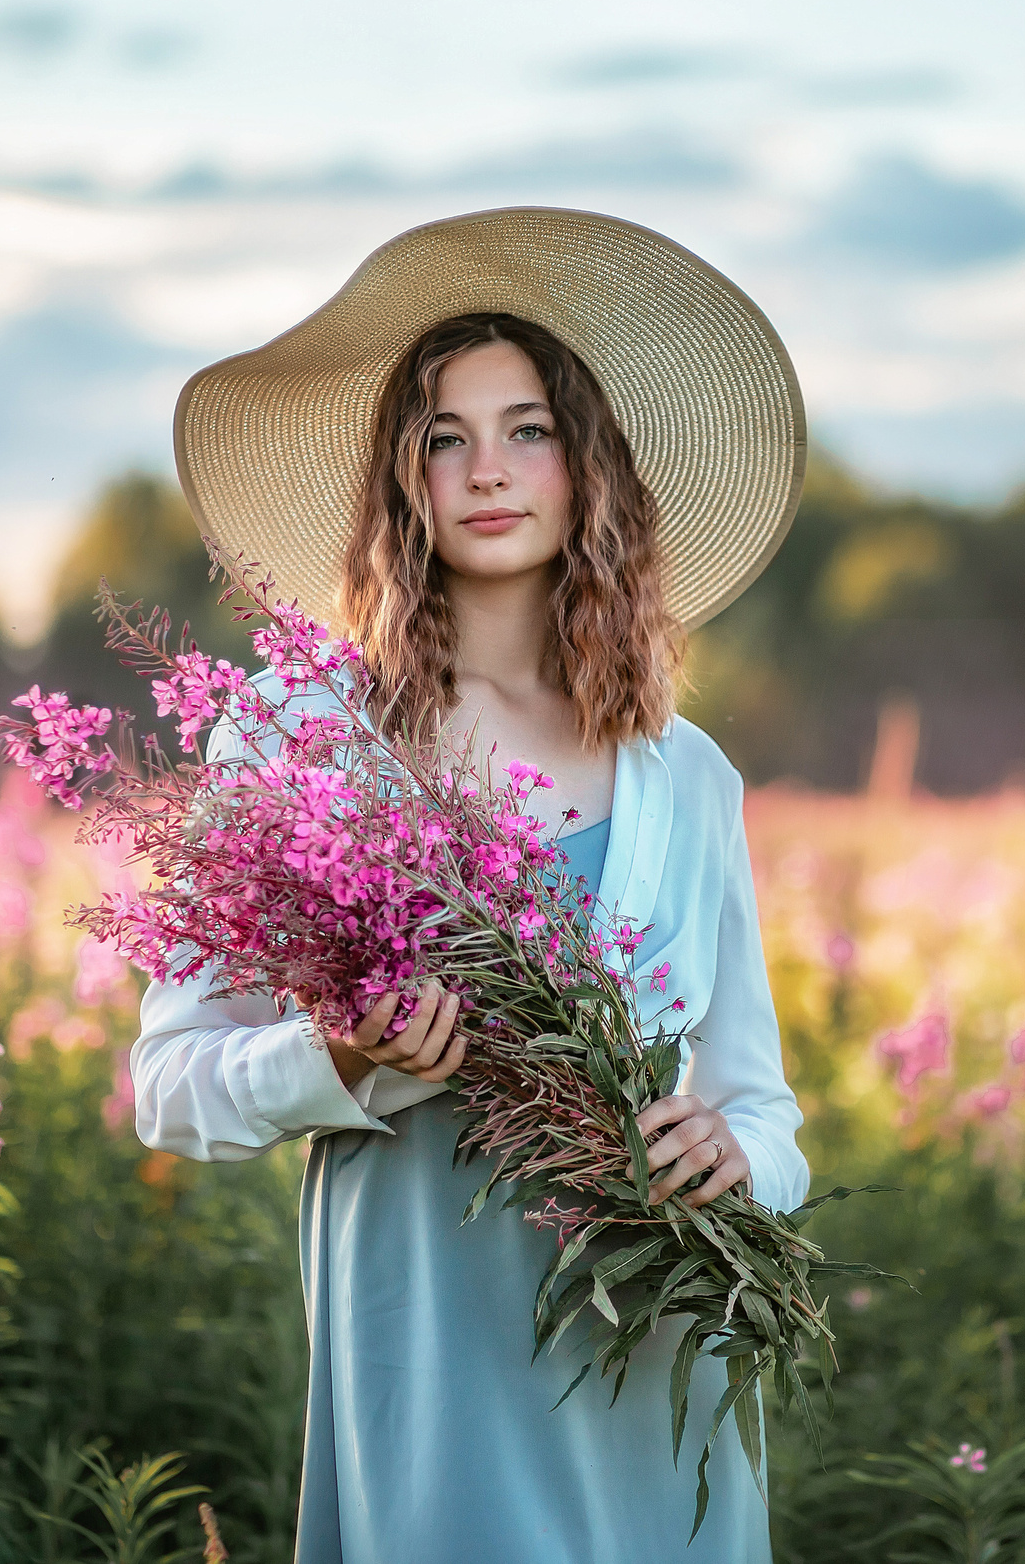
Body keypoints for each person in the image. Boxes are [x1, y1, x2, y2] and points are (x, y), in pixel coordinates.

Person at [130, 207, 811, 1564]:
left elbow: (764, 1111)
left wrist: (741, 1162)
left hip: (654, 1366)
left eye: (528, 430)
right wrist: (338, 1057)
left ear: (587, 470)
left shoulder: (688, 777)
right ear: (403, 480)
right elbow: (168, 1084)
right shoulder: (297, 738)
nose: (487, 470)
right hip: (426, 1356)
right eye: (445, 437)